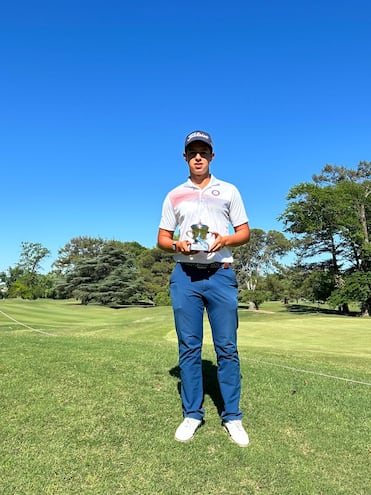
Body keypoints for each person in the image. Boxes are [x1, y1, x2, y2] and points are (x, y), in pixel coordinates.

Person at [157, 130, 251, 447]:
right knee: (189, 348)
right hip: (185, 275)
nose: (198, 156)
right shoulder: (174, 195)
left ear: (212, 156)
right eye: (193, 152)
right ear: (185, 158)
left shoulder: (229, 191)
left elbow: (244, 232)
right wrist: (176, 245)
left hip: (221, 274)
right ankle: (192, 414)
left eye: (204, 152)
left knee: (227, 348)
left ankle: (233, 417)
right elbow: (162, 239)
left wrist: (225, 239)